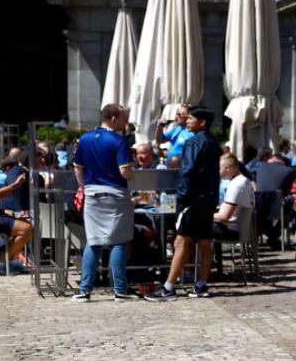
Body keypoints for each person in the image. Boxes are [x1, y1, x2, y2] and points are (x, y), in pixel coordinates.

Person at [145, 107, 222, 300]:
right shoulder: (213, 143)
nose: (187, 121)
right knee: (204, 242)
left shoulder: (193, 142)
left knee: (181, 241)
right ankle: (202, 285)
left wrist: (181, 196)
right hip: (209, 197)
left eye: (191, 118)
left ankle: (169, 287)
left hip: (193, 199)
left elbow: (187, 170)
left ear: (202, 122)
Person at [72, 104, 136, 301]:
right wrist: (133, 174)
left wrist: (84, 188)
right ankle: (120, 290)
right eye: (125, 117)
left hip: (92, 194)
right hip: (116, 194)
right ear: (114, 118)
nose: (127, 122)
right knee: (118, 241)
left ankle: (84, 290)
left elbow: (77, 168)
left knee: (93, 241)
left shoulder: (85, 139)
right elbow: (125, 171)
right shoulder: (119, 141)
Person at [211, 153, 254, 240]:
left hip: (231, 230)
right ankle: (214, 254)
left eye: (219, 168)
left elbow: (225, 216)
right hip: (240, 228)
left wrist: (206, 215)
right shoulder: (245, 181)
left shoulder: (235, 185)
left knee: (192, 226)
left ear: (227, 168)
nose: (217, 171)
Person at [162, 105, 194, 170]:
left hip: (181, 167)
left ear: (187, 116)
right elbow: (159, 140)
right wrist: (160, 127)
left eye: (179, 114)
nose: (176, 117)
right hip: (169, 166)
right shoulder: (176, 129)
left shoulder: (192, 133)